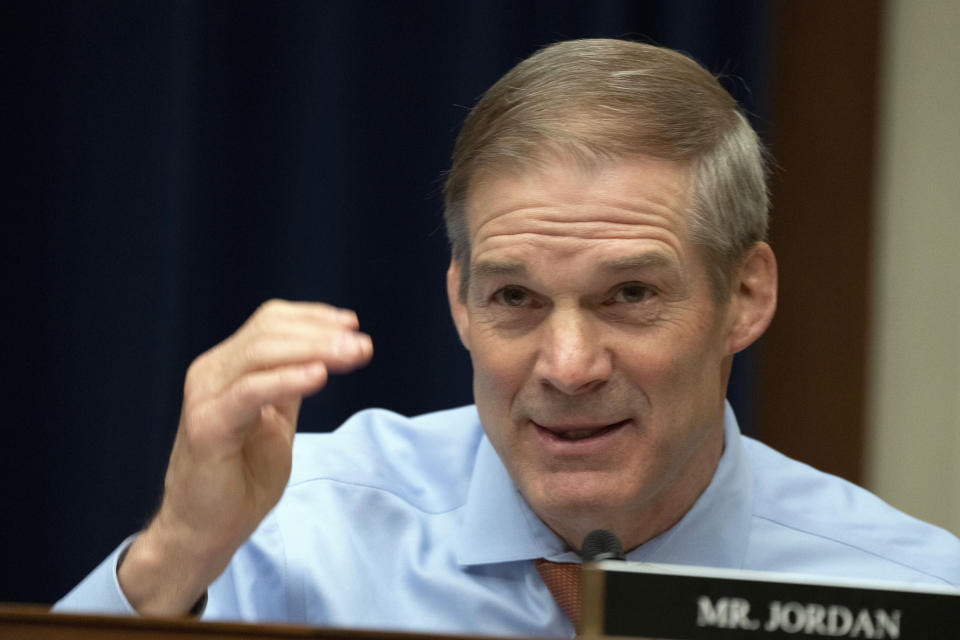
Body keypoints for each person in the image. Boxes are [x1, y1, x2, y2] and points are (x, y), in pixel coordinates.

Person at [55, 39, 960, 636]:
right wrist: (176, 553)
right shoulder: (298, 531)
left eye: (631, 294)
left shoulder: (907, 595)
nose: (567, 367)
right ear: (459, 301)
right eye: (516, 298)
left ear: (746, 295)